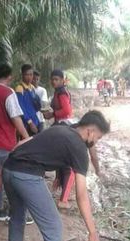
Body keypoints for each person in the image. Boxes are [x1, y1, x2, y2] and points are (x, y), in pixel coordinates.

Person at [0, 110, 110, 241]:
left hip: (9, 170)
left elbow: (21, 144)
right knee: (53, 227)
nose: (96, 142)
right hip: (27, 176)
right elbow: (81, 195)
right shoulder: (79, 148)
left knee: (17, 218)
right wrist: (92, 231)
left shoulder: (61, 128)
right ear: (91, 132)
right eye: (98, 138)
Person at [0, 63, 30, 222]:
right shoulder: (8, 92)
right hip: (5, 142)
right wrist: (26, 136)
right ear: (9, 76)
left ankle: (0, 210)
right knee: (10, 176)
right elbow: (15, 117)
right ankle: (15, 210)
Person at [43, 69, 78, 208]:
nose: (54, 82)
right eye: (52, 79)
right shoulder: (59, 92)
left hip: (63, 128)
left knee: (65, 164)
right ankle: (63, 198)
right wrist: (51, 115)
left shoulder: (62, 92)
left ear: (63, 80)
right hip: (60, 128)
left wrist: (53, 114)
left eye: (57, 79)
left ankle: (63, 195)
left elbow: (67, 111)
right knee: (66, 164)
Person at [15, 64, 41, 136]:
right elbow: (21, 108)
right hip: (26, 123)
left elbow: (34, 106)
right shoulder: (19, 88)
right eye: (27, 75)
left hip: (35, 120)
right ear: (22, 75)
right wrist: (30, 122)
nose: (29, 77)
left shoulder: (32, 87)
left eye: (31, 74)